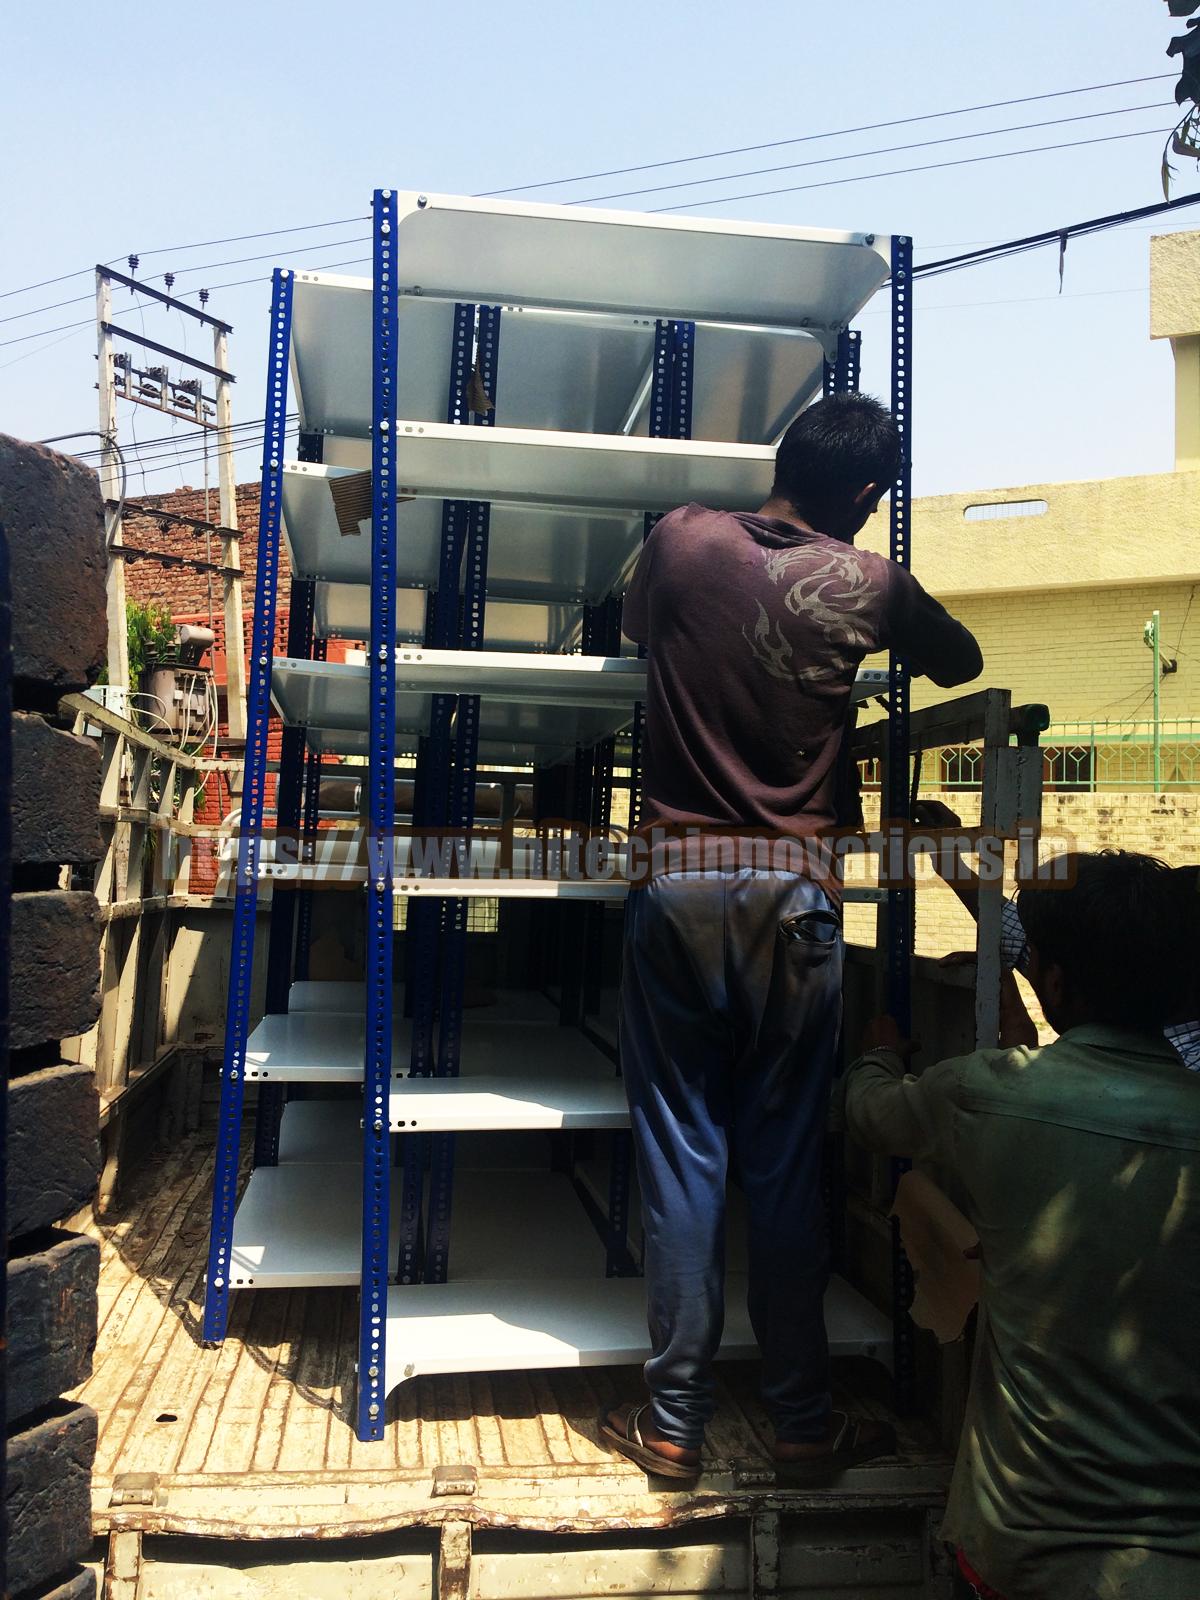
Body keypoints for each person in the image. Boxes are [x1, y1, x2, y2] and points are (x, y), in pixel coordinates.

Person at [600, 393, 983, 1479]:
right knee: (781, 1160)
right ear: (864, 493)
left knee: (682, 1157)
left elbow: (636, 630)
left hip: (678, 886)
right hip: (797, 901)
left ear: (782, 460)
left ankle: (672, 1424)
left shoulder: (680, 539)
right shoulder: (872, 582)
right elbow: (959, 661)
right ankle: (803, 1424)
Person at [843, 850, 1200, 1600]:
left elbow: (873, 1116)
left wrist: (876, 1056)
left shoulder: (990, 1094)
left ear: (1055, 982)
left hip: (1023, 1546)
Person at [911, 798, 1200, 1071]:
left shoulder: (1185, 1072)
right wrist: (949, 861)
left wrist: (1016, 1034)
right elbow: (1025, 934)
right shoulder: (1125, 975)